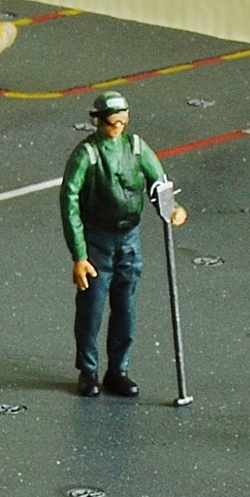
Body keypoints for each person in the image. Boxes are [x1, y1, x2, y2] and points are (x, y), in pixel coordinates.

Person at [59, 91, 185, 397]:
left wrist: (170, 209)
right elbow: (69, 200)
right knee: (91, 309)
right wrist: (79, 254)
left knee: (125, 308)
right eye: (111, 122)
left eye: (122, 121)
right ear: (98, 121)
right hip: (97, 242)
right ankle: (88, 371)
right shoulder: (87, 154)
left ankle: (118, 370)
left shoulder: (137, 148)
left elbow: (158, 181)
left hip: (129, 240)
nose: (117, 127)